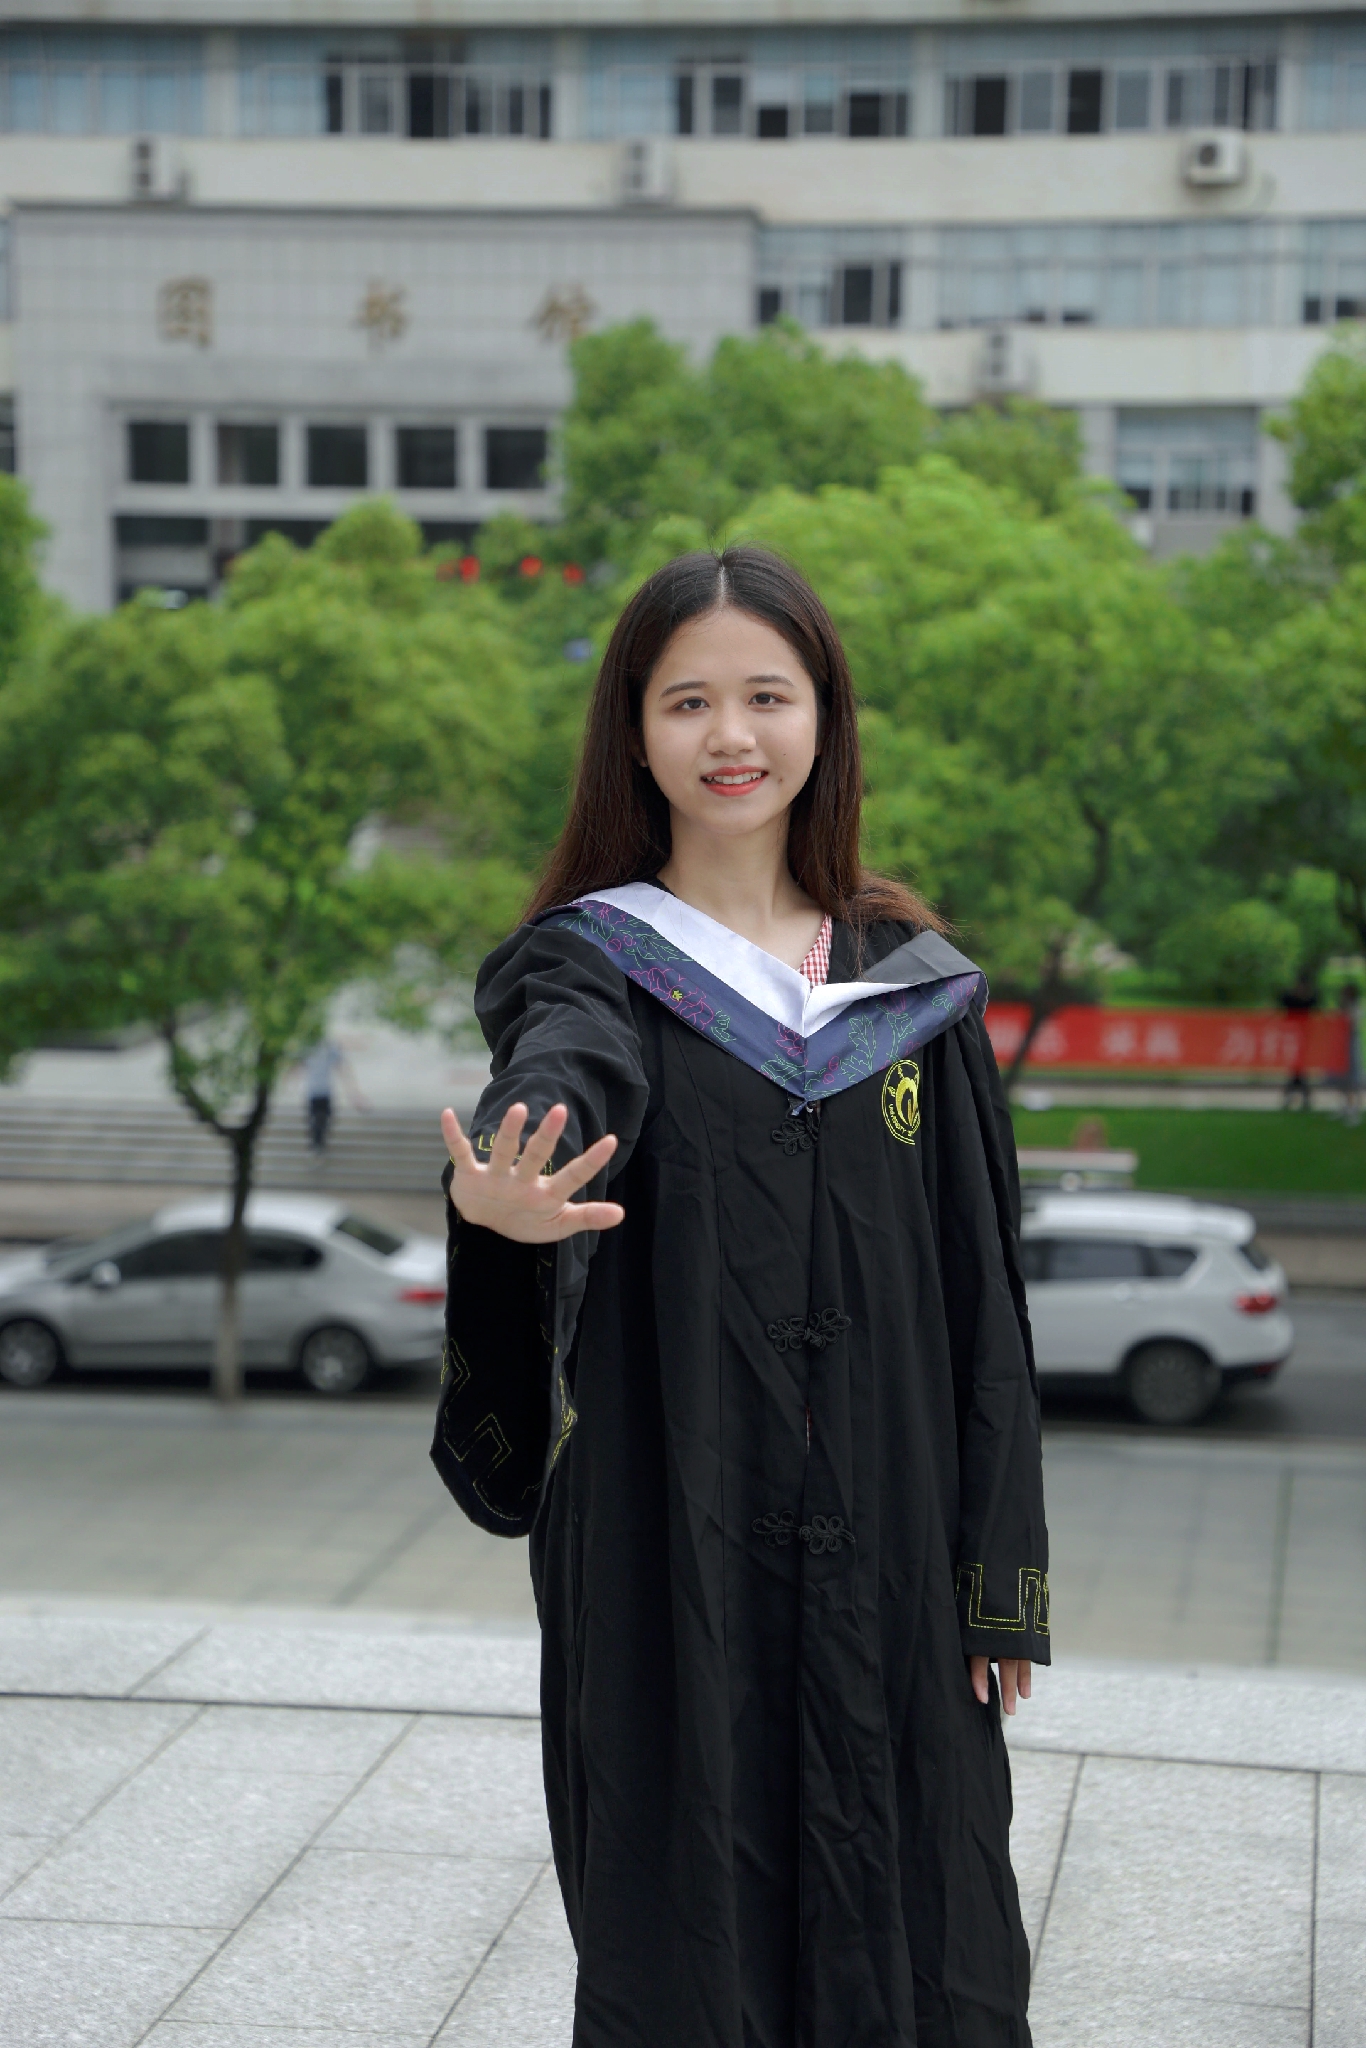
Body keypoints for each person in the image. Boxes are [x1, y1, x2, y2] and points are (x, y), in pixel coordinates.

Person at [432, 548, 1049, 2048]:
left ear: (822, 718)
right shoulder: (592, 964)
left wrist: (998, 1575)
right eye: (687, 701)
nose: (731, 736)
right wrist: (511, 1191)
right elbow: (563, 1067)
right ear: (633, 732)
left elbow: (982, 1292)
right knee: (685, 1927)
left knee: (933, 1922)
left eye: (766, 697)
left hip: (894, 1544)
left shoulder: (910, 989)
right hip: (669, 1538)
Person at [1280, 970, 1318, 1111]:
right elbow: (1283, 1001)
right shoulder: (1290, 999)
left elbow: (1315, 1002)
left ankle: (1296, 1096)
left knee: (1299, 1069)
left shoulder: (1308, 1001)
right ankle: (1299, 1096)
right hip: (1292, 1037)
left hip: (1305, 1038)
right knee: (1295, 1069)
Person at [1340, 983, 1363, 1128]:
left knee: (1353, 1077)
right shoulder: (1341, 1008)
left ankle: (1355, 1109)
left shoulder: (1355, 1008)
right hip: (1341, 1044)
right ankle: (1345, 1105)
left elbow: (1353, 1024)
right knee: (1342, 1077)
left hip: (1351, 1043)